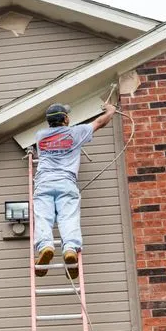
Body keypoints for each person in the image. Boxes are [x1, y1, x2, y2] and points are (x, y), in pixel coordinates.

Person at [33, 101, 116, 280]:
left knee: (43, 218)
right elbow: (100, 122)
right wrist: (111, 110)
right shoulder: (76, 133)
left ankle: (45, 247)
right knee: (68, 218)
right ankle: (69, 248)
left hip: (44, 183)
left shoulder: (40, 136)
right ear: (66, 119)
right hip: (66, 183)